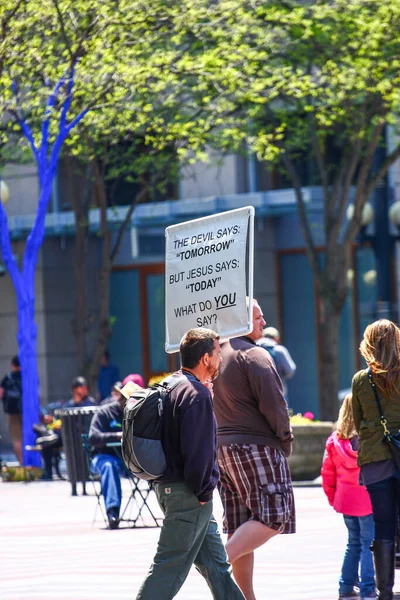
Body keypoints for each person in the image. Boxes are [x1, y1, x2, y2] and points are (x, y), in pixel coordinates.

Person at [136, 327, 244, 600]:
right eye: (218, 353)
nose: (221, 359)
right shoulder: (196, 394)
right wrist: (204, 493)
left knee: (218, 568)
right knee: (168, 568)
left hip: (171, 489)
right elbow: (198, 453)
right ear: (206, 358)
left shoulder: (171, 384)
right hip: (190, 495)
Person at [213, 300, 295, 600]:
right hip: (255, 445)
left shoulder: (216, 356)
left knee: (239, 524)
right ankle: (215, 562)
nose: (264, 322)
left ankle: (246, 598)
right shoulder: (255, 354)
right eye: (257, 317)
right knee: (274, 516)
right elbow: (276, 406)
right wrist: (285, 440)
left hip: (223, 449)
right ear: (240, 320)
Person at [352, 319, 400, 600]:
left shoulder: (361, 379)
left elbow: (358, 422)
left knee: (383, 525)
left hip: (375, 459)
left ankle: (385, 592)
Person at [321, 393, 375, 600]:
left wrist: (333, 498)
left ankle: (345, 587)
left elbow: (327, 474)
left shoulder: (334, 441)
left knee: (353, 542)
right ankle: (368, 588)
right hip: (369, 500)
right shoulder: (371, 439)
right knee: (368, 544)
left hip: (346, 501)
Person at [88, 379, 142, 529]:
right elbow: (93, 437)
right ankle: (113, 512)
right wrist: (117, 435)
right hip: (104, 457)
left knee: (158, 461)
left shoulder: (139, 415)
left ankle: (170, 509)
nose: (132, 405)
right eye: (130, 401)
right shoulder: (105, 412)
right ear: (122, 398)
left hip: (130, 460)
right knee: (108, 466)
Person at [258, 326, 296, 399]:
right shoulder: (279, 350)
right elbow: (290, 370)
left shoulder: (255, 348)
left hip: (260, 393)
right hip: (279, 392)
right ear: (276, 338)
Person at [0, 355, 23, 463]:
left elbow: (1, 394)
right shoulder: (27, 377)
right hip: (27, 413)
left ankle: (23, 463)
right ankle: (31, 463)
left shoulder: (7, 378)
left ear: (13, 365)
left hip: (12, 413)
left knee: (17, 440)